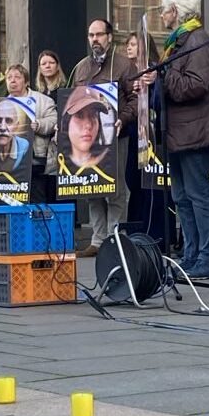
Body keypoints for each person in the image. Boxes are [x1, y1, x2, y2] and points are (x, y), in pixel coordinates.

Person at [142, 0, 209, 281]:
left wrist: (162, 75)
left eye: (164, 9)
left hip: (195, 130)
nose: (162, 15)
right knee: (181, 197)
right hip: (178, 131)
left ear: (175, 11)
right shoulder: (179, 41)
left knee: (200, 194)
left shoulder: (197, 39)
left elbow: (196, 85)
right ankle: (191, 254)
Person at [69, 18, 137, 258]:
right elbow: (70, 101)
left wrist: (124, 118)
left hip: (116, 136)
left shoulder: (124, 65)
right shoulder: (81, 67)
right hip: (89, 138)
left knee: (115, 189)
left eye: (99, 35)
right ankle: (97, 240)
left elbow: (135, 98)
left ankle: (115, 238)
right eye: (91, 35)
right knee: (92, 188)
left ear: (109, 37)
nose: (94, 39)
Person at [7, 64, 57, 199]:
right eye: (9, 77)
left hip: (36, 161)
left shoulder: (44, 100)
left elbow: (54, 121)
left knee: (37, 200)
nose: (13, 80)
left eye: (17, 77)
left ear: (26, 81)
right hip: (10, 164)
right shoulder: (1, 104)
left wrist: (39, 125)